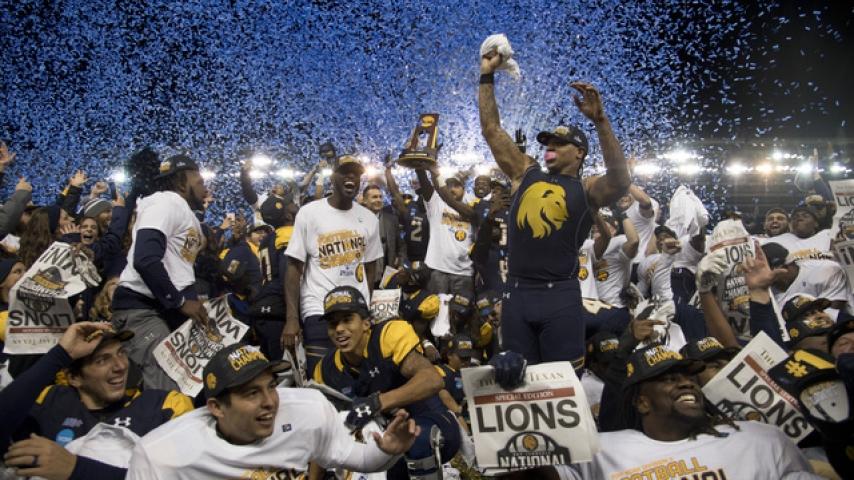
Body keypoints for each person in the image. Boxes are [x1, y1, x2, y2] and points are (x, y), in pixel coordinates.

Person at [478, 50, 631, 369]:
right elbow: (492, 129)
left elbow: (619, 181)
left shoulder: (587, 189)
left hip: (560, 297)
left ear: (579, 153)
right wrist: (487, 75)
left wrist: (601, 122)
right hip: (516, 294)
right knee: (518, 380)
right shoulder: (525, 173)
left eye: (559, 143)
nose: (550, 147)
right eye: (547, 142)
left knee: (563, 381)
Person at [508, 345, 821, 479]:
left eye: (687, 376)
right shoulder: (601, 451)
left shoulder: (760, 438)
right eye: (669, 379)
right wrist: (506, 396)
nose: (686, 383)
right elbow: (525, 474)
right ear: (642, 402)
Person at [126, 343, 418, 479]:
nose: (270, 401)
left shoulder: (307, 410)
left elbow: (359, 459)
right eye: (251, 393)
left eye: (271, 386)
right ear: (216, 407)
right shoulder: (162, 456)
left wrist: (388, 451)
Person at [0, 322, 193, 479]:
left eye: (121, 353)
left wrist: (75, 469)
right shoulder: (50, 399)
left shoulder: (164, 406)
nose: (120, 366)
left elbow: (182, 476)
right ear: (74, 378)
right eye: (102, 360)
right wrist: (61, 354)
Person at [313, 286, 461, 480]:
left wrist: (377, 402)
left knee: (418, 442)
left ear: (366, 323)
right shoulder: (326, 369)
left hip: (428, 420)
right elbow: (324, 431)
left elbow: (432, 379)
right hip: (380, 438)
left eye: (347, 319)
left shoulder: (387, 335)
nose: (339, 329)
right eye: (333, 324)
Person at [110, 154, 210, 391]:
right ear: (182, 182)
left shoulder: (182, 210)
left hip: (164, 309)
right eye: (200, 181)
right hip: (144, 309)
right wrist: (179, 301)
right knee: (166, 388)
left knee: (189, 384)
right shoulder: (165, 203)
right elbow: (145, 259)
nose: (205, 188)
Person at [284, 154, 382, 374]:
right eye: (345, 172)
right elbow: (293, 268)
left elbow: (370, 267)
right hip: (319, 309)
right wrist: (292, 319)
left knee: (358, 378)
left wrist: (366, 306)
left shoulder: (369, 218)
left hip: (354, 312)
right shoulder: (309, 213)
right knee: (321, 378)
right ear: (332, 178)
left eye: (356, 174)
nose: (351, 177)